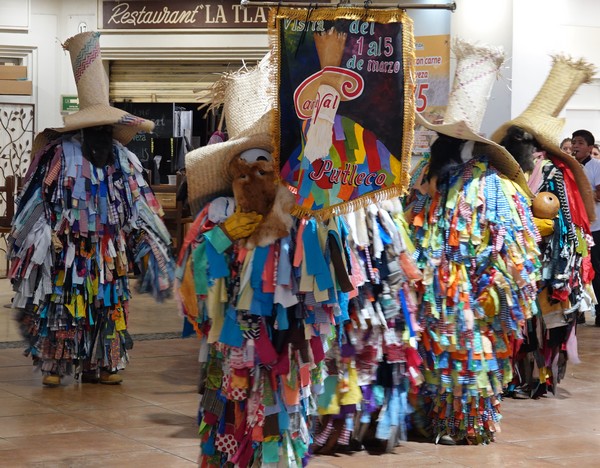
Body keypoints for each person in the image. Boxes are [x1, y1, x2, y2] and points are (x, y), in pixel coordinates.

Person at [8, 31, 174, 387]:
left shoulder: (124, 160)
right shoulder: (58, 155)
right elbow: (37, 198)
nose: (99, 135)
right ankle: (55, 364)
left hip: (109, 253)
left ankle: (103, 363)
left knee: (108, 306)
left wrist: (148, 242)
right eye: (94, 128)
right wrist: (42, 236)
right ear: (82, 130)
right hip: (66, 250)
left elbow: (138, 205)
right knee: (63, 303)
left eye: (104, 128)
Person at [405, 39, 540, 445]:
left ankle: (465, 423)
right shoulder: (426, 182)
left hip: (474, 294)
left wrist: (496, 291)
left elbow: (513, 248)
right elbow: (412, 231)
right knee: (436, 356)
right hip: (434, 293)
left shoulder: (494, 188)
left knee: (468, 359)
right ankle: (435, 419)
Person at [492, 55, 596, 398]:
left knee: (538, 323)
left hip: (545, 261)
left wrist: (541, 239)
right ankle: (521, 377)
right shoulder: (516, 169)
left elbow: (567, 222)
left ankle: (538, 379)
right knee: (521, 320)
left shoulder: (552, 171)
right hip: (521, 257)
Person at [572, 129, 600, 327]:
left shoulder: (596, 166)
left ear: (590, 148)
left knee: (596, 270)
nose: (575, 146)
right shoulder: (568, 167)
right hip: (574, 227)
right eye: (574, 142)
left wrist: (581, 196)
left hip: (595, 226)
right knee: (575, 269)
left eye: (580, 143)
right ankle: (577, 311)